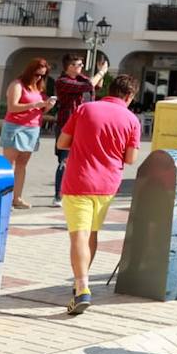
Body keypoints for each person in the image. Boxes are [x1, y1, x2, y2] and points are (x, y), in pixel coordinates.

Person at [57, 73, 141, 315]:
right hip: (107, 184)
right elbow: (130, 158)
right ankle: (80, 281)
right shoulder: (131, 119)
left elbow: (63, 142)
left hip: (79, 181)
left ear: (111, 90)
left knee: (78, 236)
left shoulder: (85, 109)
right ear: (129, 95)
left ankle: (82, 287)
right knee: (91, 233)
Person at [1, 59, 55, 208]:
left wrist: (47, 106)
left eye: (43, 76)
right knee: (8, 164)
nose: (39, 78)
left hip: (33, 127)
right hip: (15, 127)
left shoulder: (38, 88)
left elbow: (40, 110)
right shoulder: (17, 84)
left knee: (22, 165)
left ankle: (17, 198)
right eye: (37, 74)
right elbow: (12, 107)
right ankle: (4, 199)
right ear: (30, 71)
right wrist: (34, 105)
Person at [52, 54, 95, 208]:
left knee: (81, 160)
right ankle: (58, 195)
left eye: (81, 65)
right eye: (78, 65)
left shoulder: (80, 79)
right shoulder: (62, 82)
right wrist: (101, 72)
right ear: (69, 67)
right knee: (65, 159)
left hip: (84, 125)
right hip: (67, 125)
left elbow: (91, 85)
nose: (81, 67)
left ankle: (75, 192)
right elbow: (88, 86)